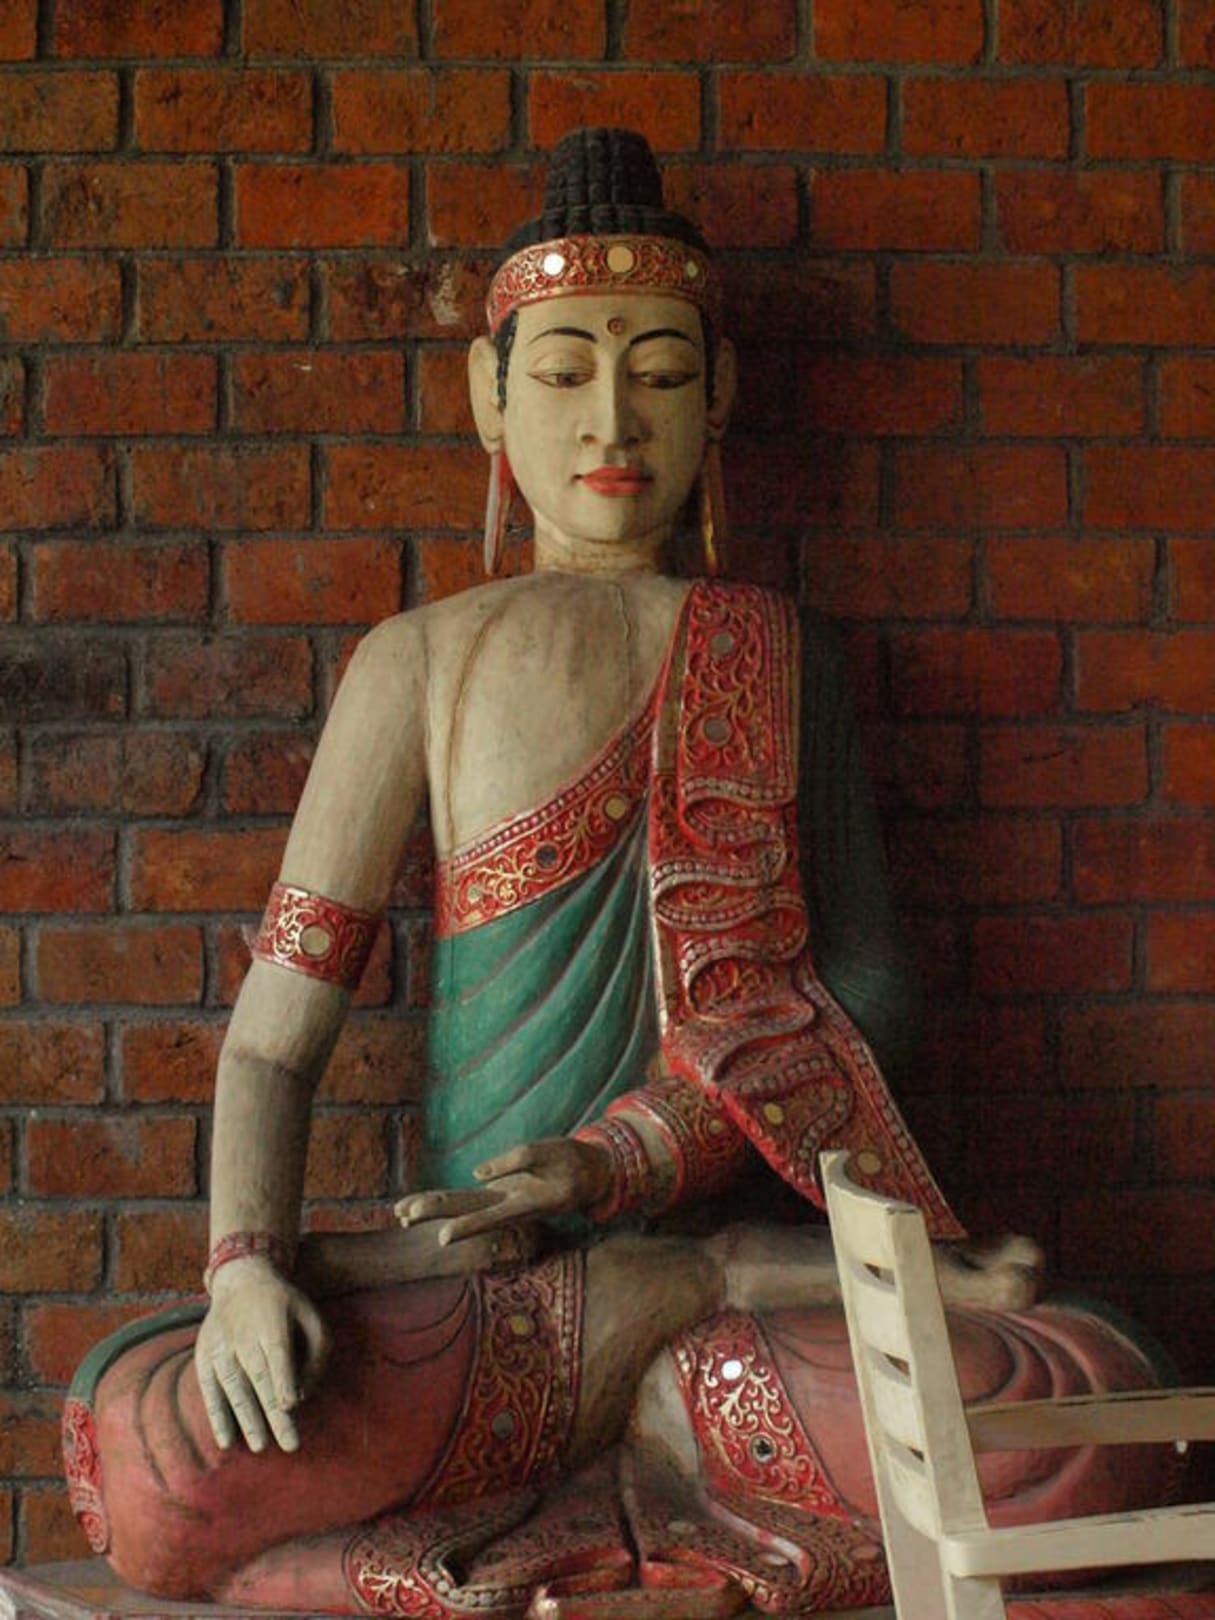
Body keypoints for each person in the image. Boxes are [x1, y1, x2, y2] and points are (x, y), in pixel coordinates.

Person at [61, 131, 1180, 1617]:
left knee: (1089, 1394)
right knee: (148, 1452)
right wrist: (247, 1268)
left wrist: (624, 1161)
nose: (613, 418)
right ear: (488, 396)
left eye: (658, 371)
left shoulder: (772, 653)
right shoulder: (416, 664)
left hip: (732, 1288)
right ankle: (678, 1531)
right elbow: (274, 1038)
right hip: (491, 1298)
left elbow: (867, 992)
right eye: (564, 372)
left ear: (719, 396)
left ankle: (557, 1512)